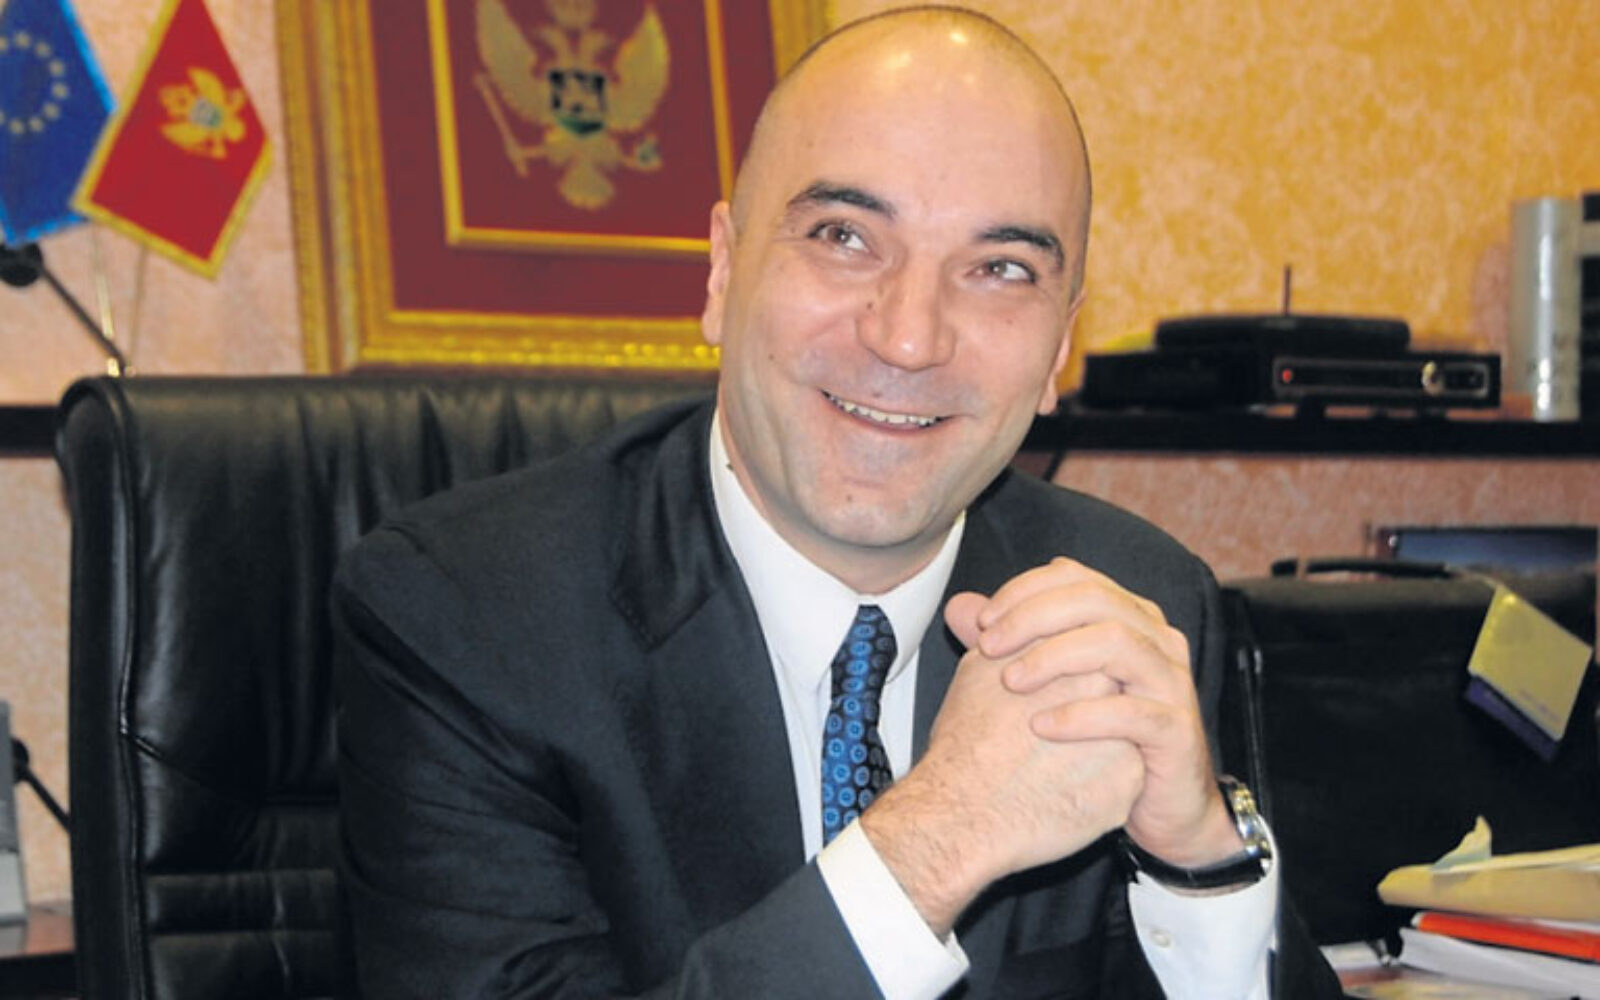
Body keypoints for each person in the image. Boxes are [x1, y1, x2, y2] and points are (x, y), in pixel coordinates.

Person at [333, 6, 1343, 997]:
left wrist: (1198, 862)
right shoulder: (467, 617)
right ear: (723, 271)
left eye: (999, 269)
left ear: (1058, 352)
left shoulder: (1140, 603)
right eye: (844, 236)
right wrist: (937, 840)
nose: (909, 337)